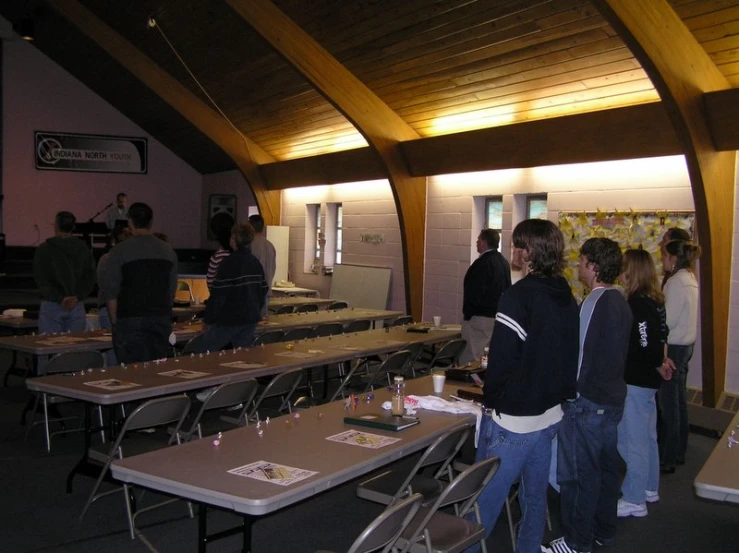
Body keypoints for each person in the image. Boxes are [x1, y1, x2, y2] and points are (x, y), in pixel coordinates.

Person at [470, 219, 579, 553]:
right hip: (549, 415)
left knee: (484, 501)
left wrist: (489, 397)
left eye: (517, 244)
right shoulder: (565, 293)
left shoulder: (518, 297)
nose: (512, 250)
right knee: (534, 498)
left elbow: (502, 360)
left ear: (529, 251)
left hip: (514, 420)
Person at [544, 238, 632, 553]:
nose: (578, 265)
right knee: (606, 471)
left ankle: (576, 542)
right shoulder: (621, 300)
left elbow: (578, 360)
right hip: (611, 401)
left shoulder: (592, 303)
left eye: (581, 260)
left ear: (593, 266)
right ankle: (603, 533)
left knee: (578, 476)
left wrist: (565, 396)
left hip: (587, 403)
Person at [616, 249, 671, 518]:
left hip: (636, 381)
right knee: (647, 438)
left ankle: (634, 498)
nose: (620, 273)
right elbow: (661, 337)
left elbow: (646, 344)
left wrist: (658, 362)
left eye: (624, 268)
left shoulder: (638, 303)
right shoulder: (655, 300)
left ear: (632, 270)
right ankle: (649, 487)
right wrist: (662, 361)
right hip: (647, 381)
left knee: (631, 441)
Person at [98, 202, 178, 364]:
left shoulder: (119, 251)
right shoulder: (167, 251)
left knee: (132, 374)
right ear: (150, 222)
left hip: (130, 319)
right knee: (156, 370)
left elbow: (111, 290)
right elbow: (171, 289)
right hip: (160, 318)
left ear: (130, 222)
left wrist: (115, 322)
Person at [188, 223, 268, 353]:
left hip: (229, 318)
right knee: (242, 356)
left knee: (201, 352)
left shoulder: (229, 262)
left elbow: (219, 295)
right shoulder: (255, 262)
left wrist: (208, 320)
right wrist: (255, 310)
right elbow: (263, 290)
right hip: (250, 317)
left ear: (234, 239)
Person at [658, 239, 700, 474]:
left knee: (669, 405)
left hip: (674, 348)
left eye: (664, 255)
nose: (662, 259)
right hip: (686, 346)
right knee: (680, 401)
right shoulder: (691, 279)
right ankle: (679, 450)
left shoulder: (675, 283)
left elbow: (668, 321)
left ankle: (668, 456)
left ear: (673, 259)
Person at [33, 211, 96, 334]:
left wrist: (59, 298)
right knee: (74, 348)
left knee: (49, 347)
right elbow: (90, 277)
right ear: (73, 227)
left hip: (52, 303)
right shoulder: (83, 249)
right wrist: (78, 296)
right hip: (76, 304)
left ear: (56, 226)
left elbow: (41, 279)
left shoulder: (44, 249)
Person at [459, 228, 511, 364]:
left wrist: (468, 315)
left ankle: (470, 384)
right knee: (487, 359)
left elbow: (475, 292)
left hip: (479, 319)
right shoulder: (503, 262)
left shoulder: (482, 264)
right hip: (496, 317)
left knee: (472, 358)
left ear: (484, 243)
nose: (476, 242)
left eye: (478, 239)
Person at [248, 214, 276, 317]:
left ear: (250, 227)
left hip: (254, 292)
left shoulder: (250, 244)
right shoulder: (270, 245)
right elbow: (273, 268)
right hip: (267, 288)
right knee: (263, 322)